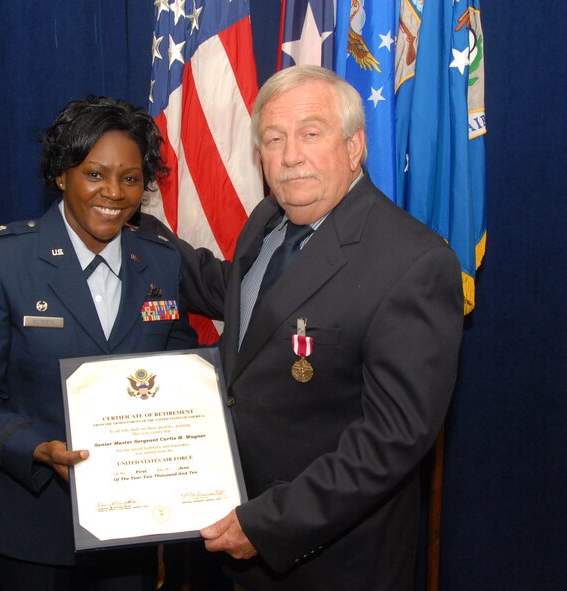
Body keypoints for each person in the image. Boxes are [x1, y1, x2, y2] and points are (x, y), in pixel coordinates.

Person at [143, 65, 464, 590]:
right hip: (231, 538)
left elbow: (391, 440)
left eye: (310, 134)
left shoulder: (413, 262)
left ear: (354, 146)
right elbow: (243, 297)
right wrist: (134, 227)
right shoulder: (268, 221)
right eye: (274, 138)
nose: (290, 156)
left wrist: (270, 525)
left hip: (326, 560)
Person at [0, 96, 197, 590]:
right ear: (62, 175)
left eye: (130, 178)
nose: (114, 192)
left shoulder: (162, 263)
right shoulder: (3, 260)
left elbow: (181, 370)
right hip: (29, 524)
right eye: (95, 174)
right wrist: (38, 448)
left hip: (131, 526)